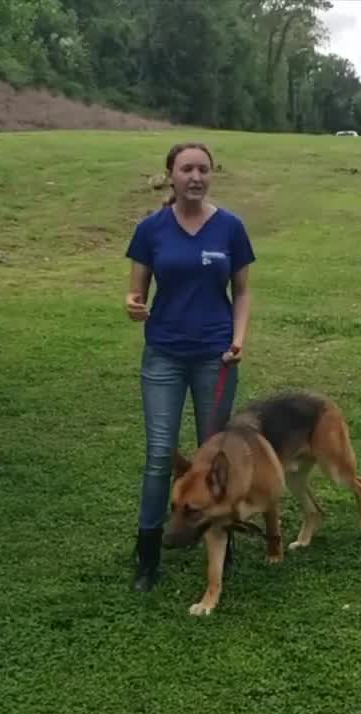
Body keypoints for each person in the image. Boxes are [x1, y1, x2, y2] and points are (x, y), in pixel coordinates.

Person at [124, 141, 255, 592]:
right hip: (163, 354)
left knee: (212, 457)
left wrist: (239, 338)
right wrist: (132, 306)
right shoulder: (151, 229)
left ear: (211, 174)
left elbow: (241, 292)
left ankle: (221, 540)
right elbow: (135, 293)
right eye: (186, 169)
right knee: (161, 454)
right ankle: (147, 550)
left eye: (203, 169)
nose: (196, 177)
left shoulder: (231, 228)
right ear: (170, 175)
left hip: (215, 357)